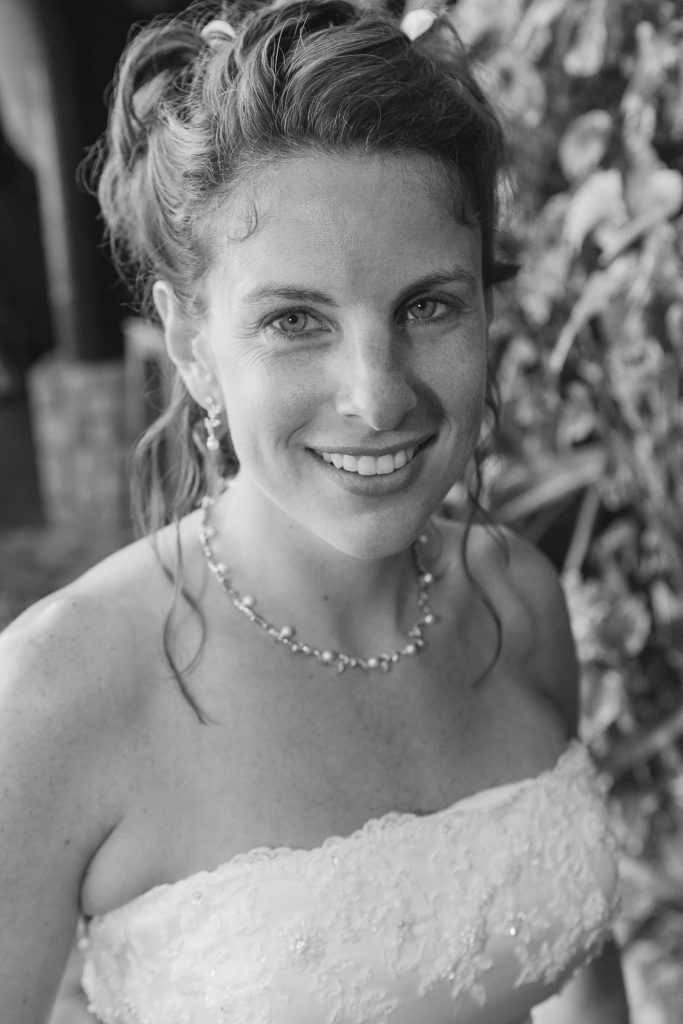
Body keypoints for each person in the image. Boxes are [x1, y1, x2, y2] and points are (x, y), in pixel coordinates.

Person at [0, 2, 631, 1022]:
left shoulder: (518, 598)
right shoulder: (55, 691)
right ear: (191, 341)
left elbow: (588, 999)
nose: (376, 395)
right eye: (295, 320)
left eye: (428, 304)